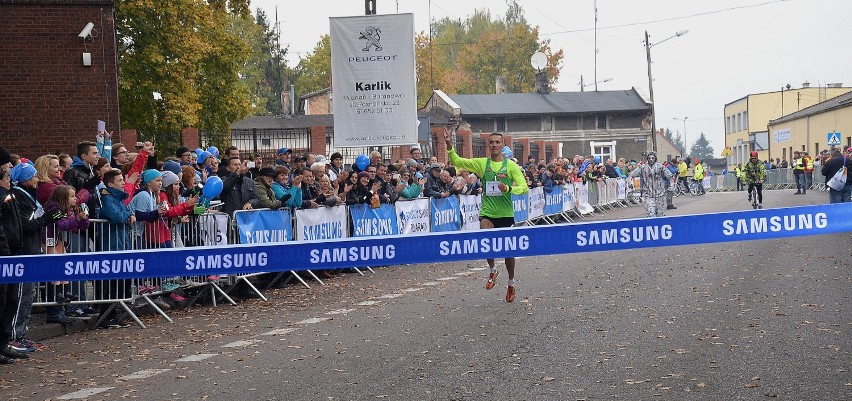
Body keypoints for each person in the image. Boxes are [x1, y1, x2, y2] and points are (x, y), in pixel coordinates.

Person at [444, 130, 528, 303]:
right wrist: (449, 145)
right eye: (492, 142)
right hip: (488, 212)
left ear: (503, 145)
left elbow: (524, 187)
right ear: (488, 145)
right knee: (485, 236)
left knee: (508, 252)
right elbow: (458, 161)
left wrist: (509, 189)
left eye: (498, 142)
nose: (495, 145)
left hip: (505, 214)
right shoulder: (482, 164)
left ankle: (511, 282)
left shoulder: (511, 166)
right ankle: (492, 269)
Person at [629, 151, 674, 217]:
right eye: (649, 158)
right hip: (648, 195)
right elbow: (631, 175)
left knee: (659, 214)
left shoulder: (661, 167)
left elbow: (670, 176)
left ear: (655, 159)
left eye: (652, 158)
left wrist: (671, 186)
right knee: (651, 213)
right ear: (647, 158)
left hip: (659, 194)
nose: (651, 159)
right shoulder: (643, 168)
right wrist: (631, 184)